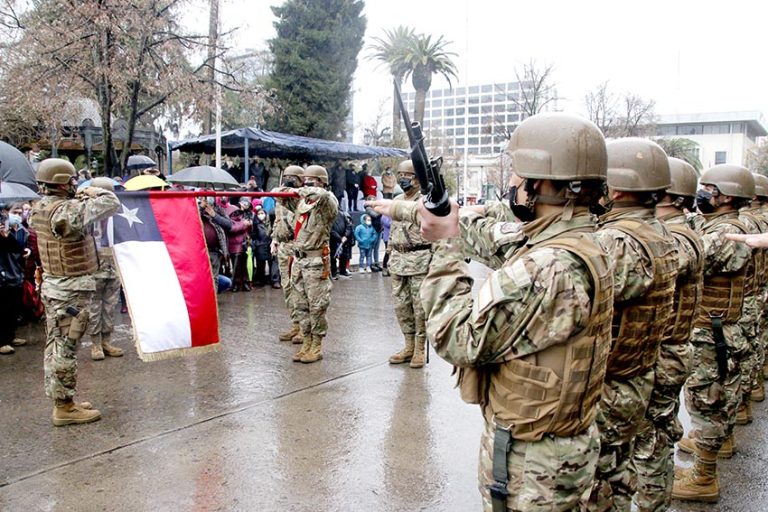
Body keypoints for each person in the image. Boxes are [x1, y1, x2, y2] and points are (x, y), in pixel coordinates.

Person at [370, 112, 614, 511]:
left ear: (543, 183)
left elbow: (457, 337)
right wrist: (426, 215)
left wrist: (446, 247)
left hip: (534, 465)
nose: (513, 184)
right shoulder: (580, 241)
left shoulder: (549, 266)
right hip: (561, 446)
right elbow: (495, 238)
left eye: (519, 175)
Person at [589, 139, 678, 512]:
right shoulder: (658, 232)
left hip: (611, 386)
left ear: (618, 188)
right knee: (619, 476)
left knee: (598, 487)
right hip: (636, 377)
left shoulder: (618, 241)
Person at [673, 164, 754, 503]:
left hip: (713, 331)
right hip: (715, 327)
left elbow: (683, 259)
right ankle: (704, 464)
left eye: (709, 188)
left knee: (708, 401)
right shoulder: (722, 227)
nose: (702, 193)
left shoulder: (728, 234)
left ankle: (703, 477)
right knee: (711, 399)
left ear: (727, 196)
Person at [632, 157, 704, 511]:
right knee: (654, 438)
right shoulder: (679, 233)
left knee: (650, 444)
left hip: (664, 356)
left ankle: (651, 503)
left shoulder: (674, 238)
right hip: (668, 353)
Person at [29, 158, 120, 426]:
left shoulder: (42, 207)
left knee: (56, 344)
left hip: (57, 287)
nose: (74, 184)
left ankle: (63, 399)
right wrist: (92, 190)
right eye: (70, 180)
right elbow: (111, 202)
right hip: (68, 290)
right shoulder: (64, 211)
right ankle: (64, 407)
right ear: (60, 182)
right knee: (65, 347)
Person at [384, 160, 433, 369]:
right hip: (398, 259)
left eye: (407, 175)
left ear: (417, 178)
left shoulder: (427, 201)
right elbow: (394, 230)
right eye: (400, 174)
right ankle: (409, 345)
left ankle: (420, 349)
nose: (402, 179)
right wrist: (388, 255)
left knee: (419, 308)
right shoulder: (396, 200)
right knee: (402, 307)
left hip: (420, 260)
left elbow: (436, 234)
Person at [290, 165, 338, 364]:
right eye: (305, 179)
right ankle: (306, 341)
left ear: (322, 182)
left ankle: (317, 345)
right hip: (299, 261)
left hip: (316, 261)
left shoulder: (327, 202)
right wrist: (289, 187)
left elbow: (324, 196)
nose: (307, 182)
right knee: (300, 305)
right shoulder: (302, 203)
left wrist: (307, 189)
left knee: (317, 306)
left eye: (313, 179)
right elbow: (279, 196)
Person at [87, 177, 124, 361]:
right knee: (94, 307)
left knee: (110, 306)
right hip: (93, 265)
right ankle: (95, 344)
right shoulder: (86, 214)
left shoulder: (118, 214)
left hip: (112, 264)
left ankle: (106, 341)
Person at [272, 165, 304, 343]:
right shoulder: (280, 199)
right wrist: (274, 239)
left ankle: (303, 327)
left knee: (299, 287)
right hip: (283, 245)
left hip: (296, 244)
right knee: (287, 287)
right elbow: (278, 221)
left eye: (293, 177)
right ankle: (295, 324)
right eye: (286, 177)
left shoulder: (301, 199)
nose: (288, 180)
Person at [0, 203, 29, 354]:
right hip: (3, 275)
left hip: (15, 274)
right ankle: (2, 341)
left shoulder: (17, 231)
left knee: (13, 308)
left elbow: (17, 247)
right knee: (3, 309)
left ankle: (10, 336)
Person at [199, 196, 232, 292]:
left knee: (214, 278)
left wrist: (214, 215)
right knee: (201, 277)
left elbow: (229, 225)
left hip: (214, 251)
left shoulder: (218, 210)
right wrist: (201, 208)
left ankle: (213, 302)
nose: (208, 200)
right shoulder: (196, 209)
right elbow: (190, 220)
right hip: (200, 251)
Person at [228, 199, 253, 292]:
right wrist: (244, 224)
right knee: (236, 266)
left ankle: (245, 282)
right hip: (234, 245)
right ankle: (236, 284)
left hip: (244, 244)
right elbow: (232, 229)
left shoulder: (244, 217)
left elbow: (249, 231)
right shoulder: (231, 220)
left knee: (244, 265)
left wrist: (249, 225)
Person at [251, 205, 278, 287]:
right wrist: (256, 244)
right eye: (259, 214)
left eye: (262, 213)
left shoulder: (270, 223)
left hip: (269, 245)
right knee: (260, 265)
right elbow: (253, 235)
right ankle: (260, 281)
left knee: (273, 263)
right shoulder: (255, 224)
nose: (261, 215)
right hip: (260, 246)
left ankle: (274, 280)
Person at [330, 208, 352, 279]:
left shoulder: (343, 215)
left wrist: (346, 235)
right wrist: (339, 238)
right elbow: (331, 229)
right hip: (333, 240)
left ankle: (343, 270)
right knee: (332, 257)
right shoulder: (329, 216)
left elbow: (348, 226)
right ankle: (333, 272)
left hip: (344, 239)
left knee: (344, 256)